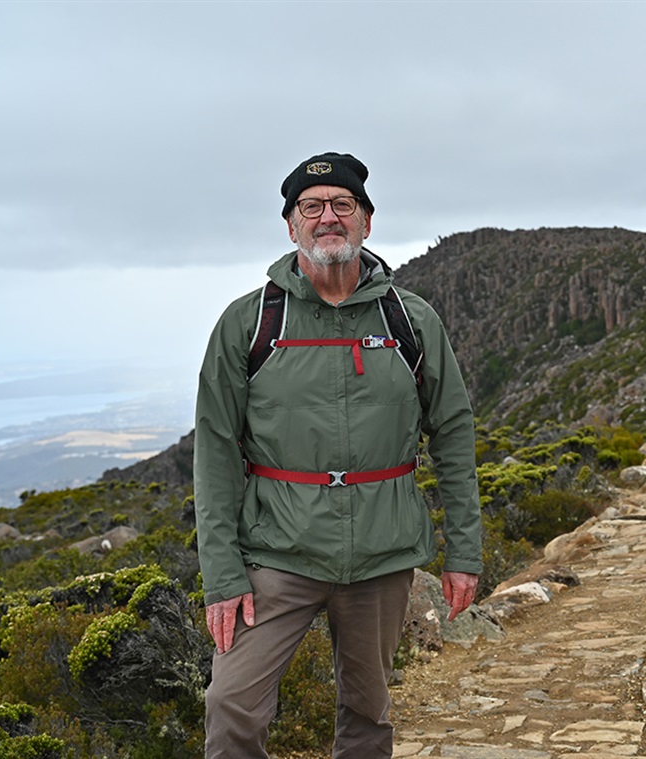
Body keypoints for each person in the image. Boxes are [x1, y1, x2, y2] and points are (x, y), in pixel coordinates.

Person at [194, 151, 482, 758]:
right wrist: (221, 577)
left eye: (343, 205)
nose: (329, 217)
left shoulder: (411, 320)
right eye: (312, 207)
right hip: (276, 553)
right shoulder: (249, 323)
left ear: (366, 222)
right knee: (232, 705)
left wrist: (466, 552)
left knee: (368, 712)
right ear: (291, 224)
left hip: (381, 555)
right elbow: (216, 453)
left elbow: (453, 433)